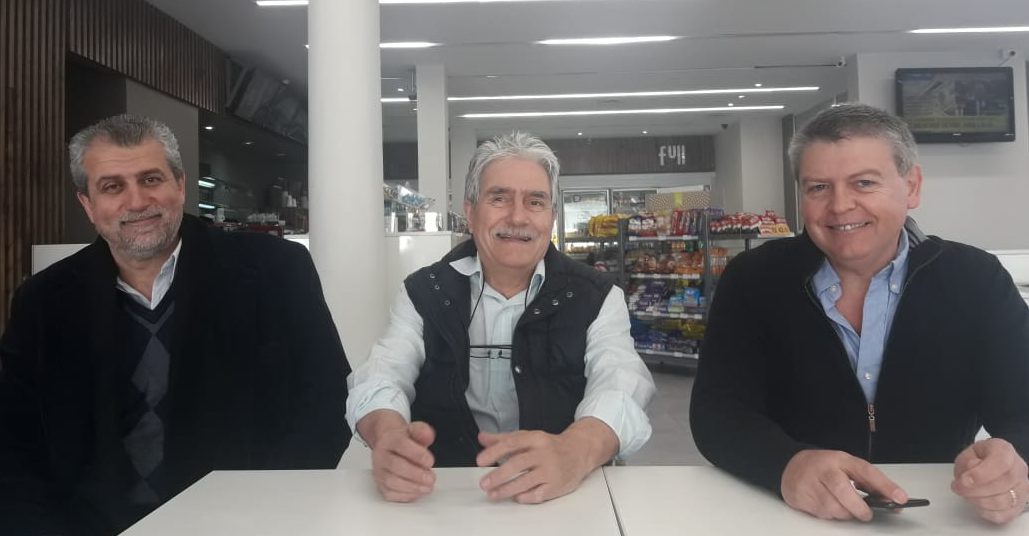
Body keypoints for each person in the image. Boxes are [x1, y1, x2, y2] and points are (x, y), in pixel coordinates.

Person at [0, 115, 352, 535]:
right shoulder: (42, 301)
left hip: (245, 523)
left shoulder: (275, 271)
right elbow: (14, 443)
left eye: (151, 179)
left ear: (180, 185)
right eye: (112, 187)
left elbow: (325, 401)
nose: (136, 201)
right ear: (88, 205)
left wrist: (268, 514)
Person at [690, 103, 1029, 525]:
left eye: (864, 183)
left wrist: (1014, 461)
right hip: (787, 514)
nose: (840, 205)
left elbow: (1022, 407)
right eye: (818, 188)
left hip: (937, 513)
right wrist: (786, 464)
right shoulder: (753, 279)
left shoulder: (974, 279)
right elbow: (717, 413)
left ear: (912, 186)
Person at [347, 132, 655, 504]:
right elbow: (382, 373)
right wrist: (387, 434)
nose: (518, 217)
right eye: (499, 198)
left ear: (552, 217)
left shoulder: (597, 296)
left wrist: (577, 449)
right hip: (444, 496)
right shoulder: (424, 292)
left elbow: (621, 382)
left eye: (535, 201)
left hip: (563, 499)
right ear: (470, 211)